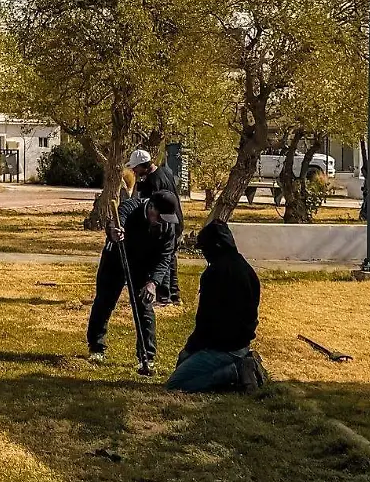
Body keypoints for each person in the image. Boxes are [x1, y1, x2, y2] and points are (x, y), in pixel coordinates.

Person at [166, 221, 267, 393]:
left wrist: (191, 348)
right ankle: (239, 364)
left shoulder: (215, 274)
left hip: (224, 347)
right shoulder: (246, 269)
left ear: (216, 246)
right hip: (240, 343)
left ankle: (236, 372)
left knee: (175, 384)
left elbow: (205, 320)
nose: (204, 254)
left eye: (205, 248)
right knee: (184, 361)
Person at [87, 190, 180, 375]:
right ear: (151, 208)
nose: (163, 222)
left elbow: (165, 257)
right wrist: (114, 232)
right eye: (160, 217)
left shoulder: (168, 226)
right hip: (116, 259)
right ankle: (96, 347)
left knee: (144, 308)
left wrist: (153, 282)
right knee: (104, 302)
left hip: (143, 266)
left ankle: (147, 356)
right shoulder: (131, 207)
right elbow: (114, 223)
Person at [128, 149, 184, 306]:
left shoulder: (153, 182)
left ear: (143, 165)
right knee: (170, 258)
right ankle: (175, 296)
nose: (134, 171)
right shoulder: (165, 171)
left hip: (167, 222)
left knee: (163, 257)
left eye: (136, 168)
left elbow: (148, 207)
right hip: (176, 220)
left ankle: (163, 297)